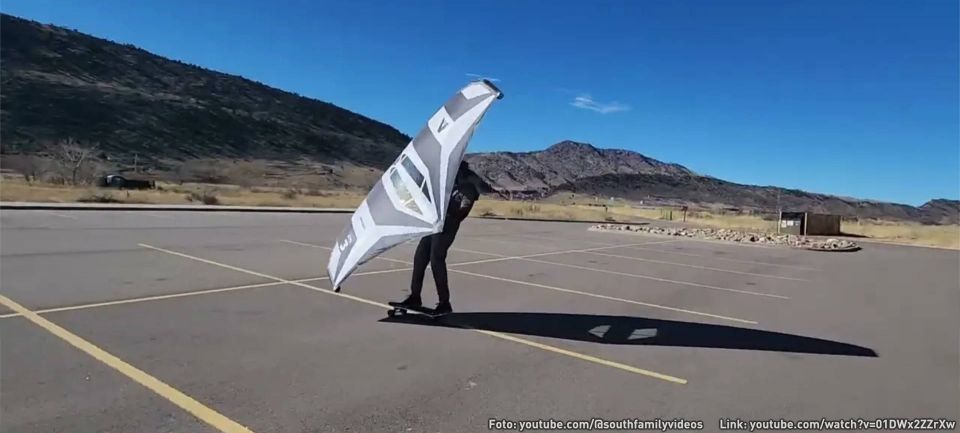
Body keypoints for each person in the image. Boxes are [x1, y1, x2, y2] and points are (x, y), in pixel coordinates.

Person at [395, 161, 478, 314]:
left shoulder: (467, 189)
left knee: (436, 261)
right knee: (419, 258)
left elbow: (464, 210)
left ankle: (444, 302)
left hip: (446, 229)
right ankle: (415, 296)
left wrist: (447, 213)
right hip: (433, 226)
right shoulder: (447, 187)